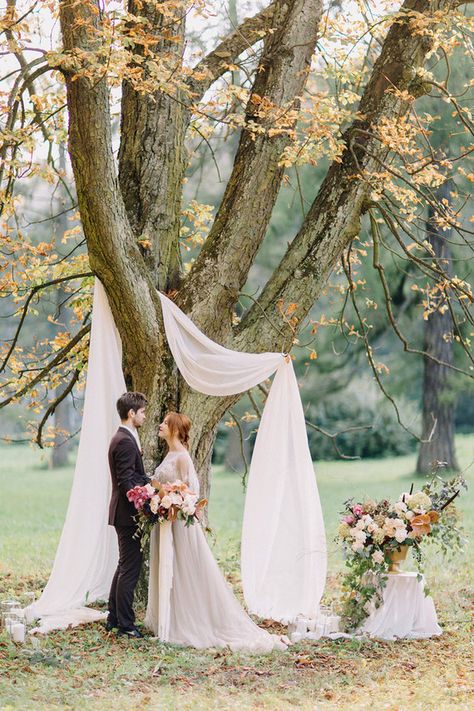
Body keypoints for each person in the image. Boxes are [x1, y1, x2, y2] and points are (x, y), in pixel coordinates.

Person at [145, 411, 287, 652]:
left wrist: (173, 500)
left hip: (179, 524)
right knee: (169, 568)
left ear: (176, 430)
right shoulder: (169, 454)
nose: (160, 425)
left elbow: (193, 491)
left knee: (185, 570)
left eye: (165, 423)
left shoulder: (182, 457)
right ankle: (168, 619)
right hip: (165, 522)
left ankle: (188, 622)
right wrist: (157, 495)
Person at [107, 391, 148, 638]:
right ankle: (126, 625)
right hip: (127, 513)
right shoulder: (124, 440)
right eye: (142, 412)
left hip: (124, 513)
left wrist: (150, 483)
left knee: (124, 565)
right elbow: (126, 481)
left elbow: (133, 476)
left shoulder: (126, 437)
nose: (144, 416)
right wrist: (148, 498)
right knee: (130, 569)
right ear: (131, 413)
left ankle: (114, 617)